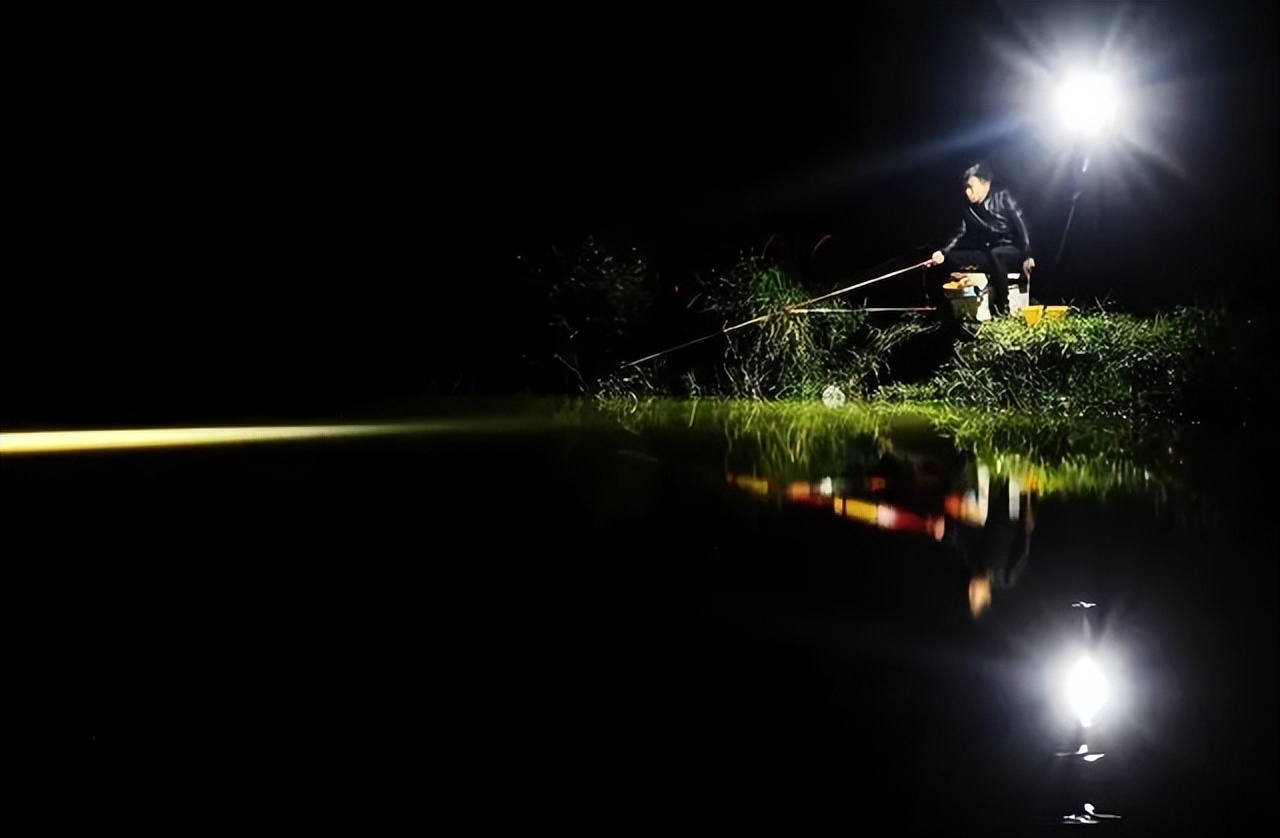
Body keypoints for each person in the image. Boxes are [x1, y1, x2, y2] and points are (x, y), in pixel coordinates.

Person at [929, 162, 1036, 318]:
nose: (967, 192)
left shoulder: (1002, 195)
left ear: (984, 183)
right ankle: (947, 307)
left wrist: (1028, 255)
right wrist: (943, 252)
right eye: (965, 187)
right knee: (951, 258)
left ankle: (1002, 309)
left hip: (1012, 251)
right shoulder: (969, 207)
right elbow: (961, 231)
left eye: (971, 186)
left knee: (996, 254)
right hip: (989, 253)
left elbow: (1022, 224)